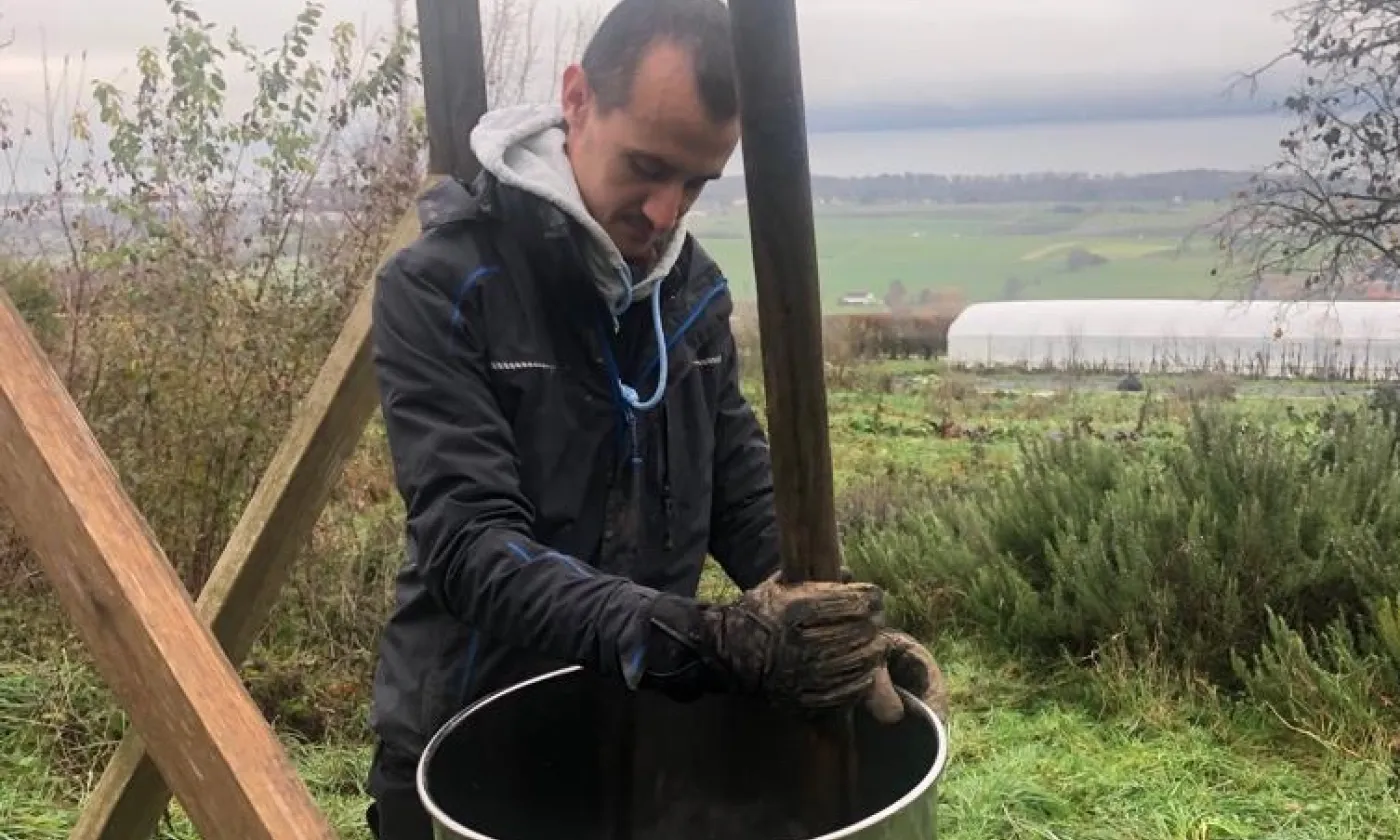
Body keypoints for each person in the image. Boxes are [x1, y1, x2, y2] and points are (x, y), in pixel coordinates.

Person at [363, 1, 948, 837]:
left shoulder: (692, 296)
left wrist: (843, 637)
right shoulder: (444, 287)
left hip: (636, 750)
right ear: (576, 100)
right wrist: (707, 641)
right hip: (473, 761)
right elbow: (471, 547)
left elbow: (744, 507)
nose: (667, 212)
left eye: (698, 182)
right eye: (646, 165)